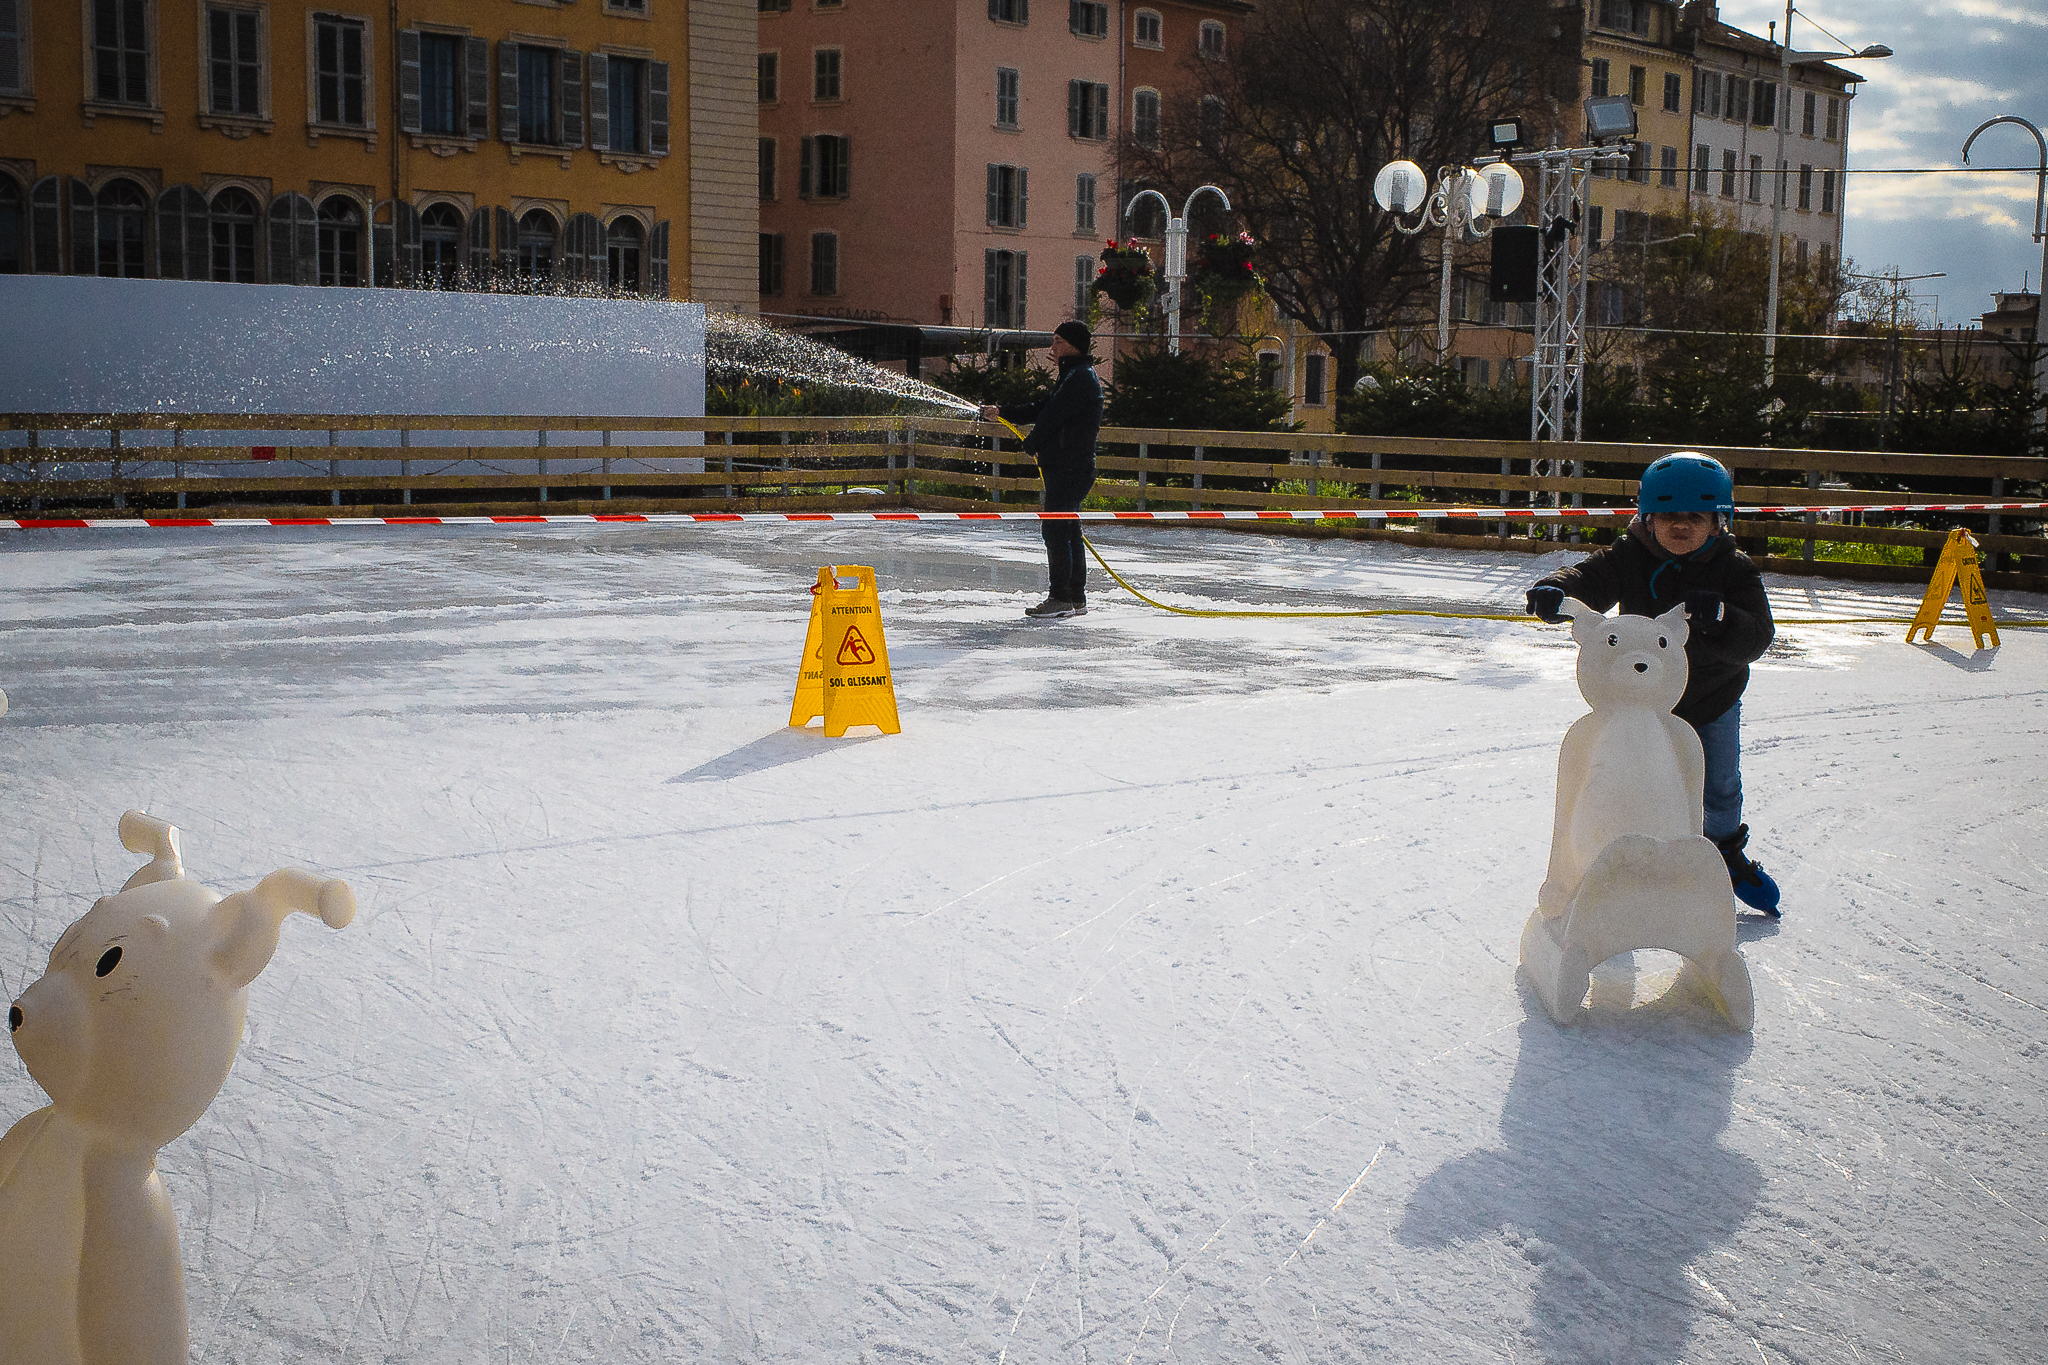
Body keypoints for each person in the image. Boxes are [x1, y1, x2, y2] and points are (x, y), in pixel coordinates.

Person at [1524, 452, 1782, 916]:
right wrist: (1557, 589)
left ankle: (1721, 850)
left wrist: (1721, 616)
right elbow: (1588, 578)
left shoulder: (1734, 570)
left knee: (1718, 786)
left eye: (1694, 517)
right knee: (1619, 777)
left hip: (1711, 698)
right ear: (1647, 517)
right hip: (1637, 701)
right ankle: (1606, 854)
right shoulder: (1630, 557)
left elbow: (1757, 635)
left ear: (1718, 520)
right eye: (1667, 516)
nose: (1680, 526)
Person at [980, 320, 1103, 619]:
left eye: (1057, 342)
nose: (1052, 347)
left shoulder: (1080, 378)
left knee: (1057, 529)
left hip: (1069, 468)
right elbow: (1044, 405)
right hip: (1068, 467)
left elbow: (1052, 416)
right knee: (1069, 529)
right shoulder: (1073, 375)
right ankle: (1075, 597)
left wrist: (1032, 443)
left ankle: (1061, 597)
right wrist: (1005, 412)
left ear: (1072, 345)